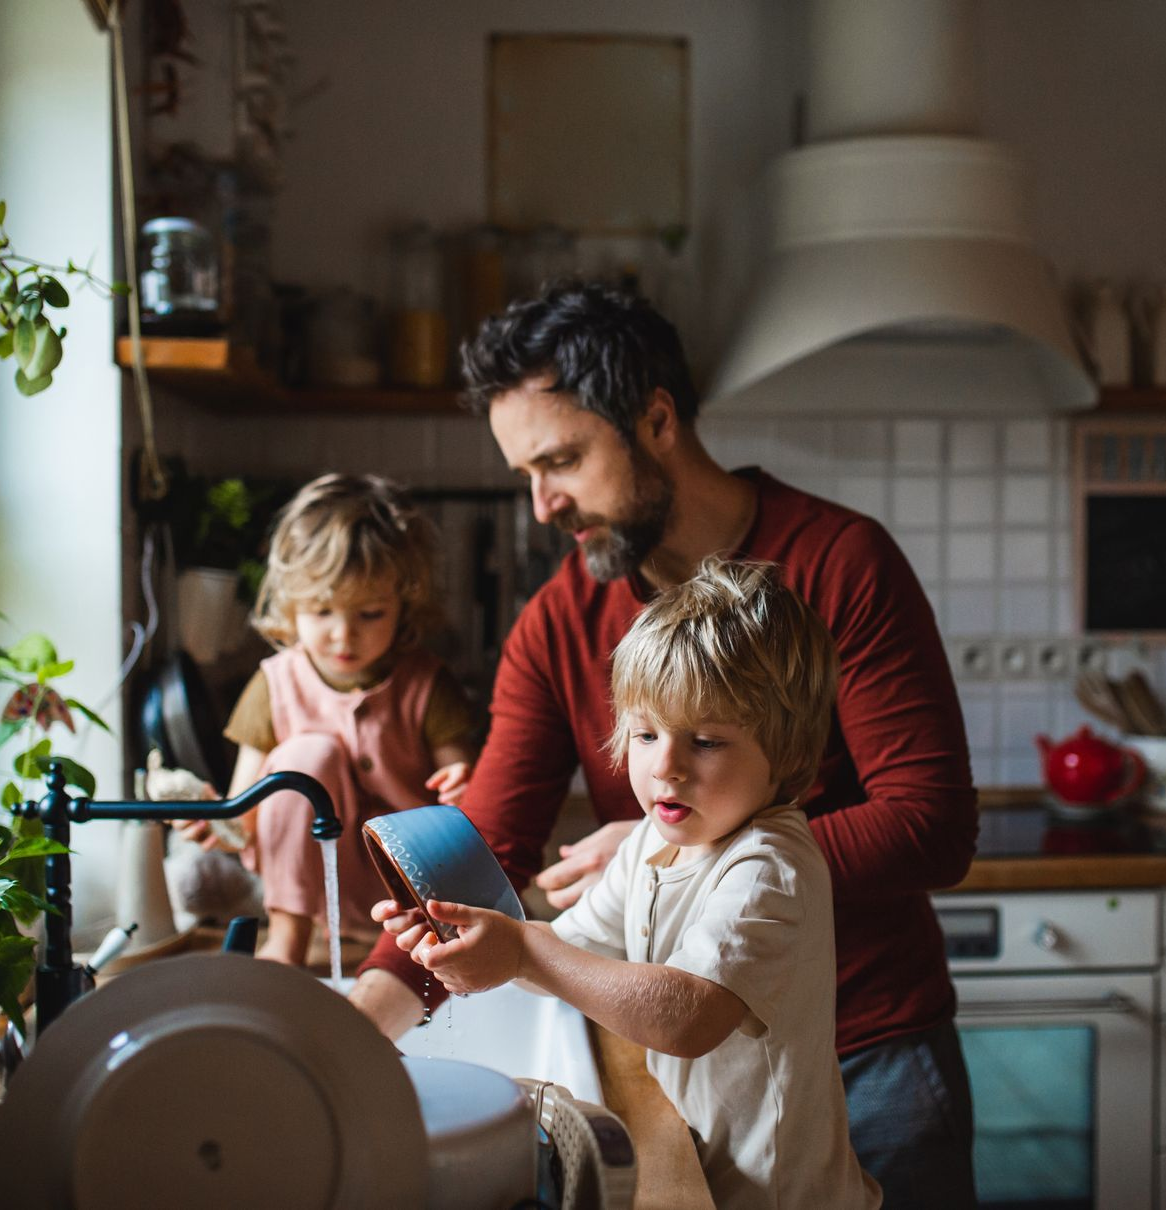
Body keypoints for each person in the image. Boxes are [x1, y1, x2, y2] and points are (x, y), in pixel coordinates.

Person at [356, 282, 978, 1207]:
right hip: (690, 1083)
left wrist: (694, 855)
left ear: (655, 421)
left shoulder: (841, 564)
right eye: (526, 472)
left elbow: (930, 821)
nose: (542, 505)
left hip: (869, 1054)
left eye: (561, 459)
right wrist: (361, 1024)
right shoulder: (560, 618)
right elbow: (480, 850)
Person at [383, 558, 881, 1210]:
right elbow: (573, 954)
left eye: (704, 741)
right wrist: (478, 946)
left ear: (785, 754)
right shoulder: (654, 839)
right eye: (645, 734)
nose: (664, 766)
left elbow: (689, 1016)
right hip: (708, 1170)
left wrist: (526, 950)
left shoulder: (768, 868)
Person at [177, 473, 479, 966]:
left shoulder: (426, 684)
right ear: (292, 607)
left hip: (413, 891)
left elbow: (467, 789)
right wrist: (217, 818)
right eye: (321, 612)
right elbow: (244, 811)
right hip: (313, 893)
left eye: (370, 614)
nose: (344, 635)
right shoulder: (273, 684)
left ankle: (402, 944)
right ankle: (287, 941)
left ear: (404, 605)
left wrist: (464, 786)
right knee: (304, 757)